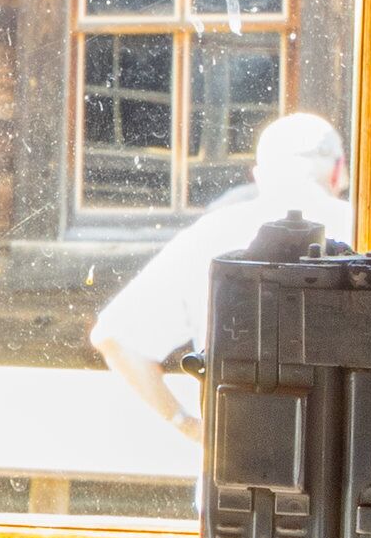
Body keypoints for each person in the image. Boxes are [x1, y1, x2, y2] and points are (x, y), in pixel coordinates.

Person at [89, 111, 349, 447]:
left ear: (259, 175)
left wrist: (191, 427)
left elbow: (114, 337)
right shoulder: (366, 226)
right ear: (338, 171)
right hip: (347, 461)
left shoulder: (213, 234)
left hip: (237, 460)